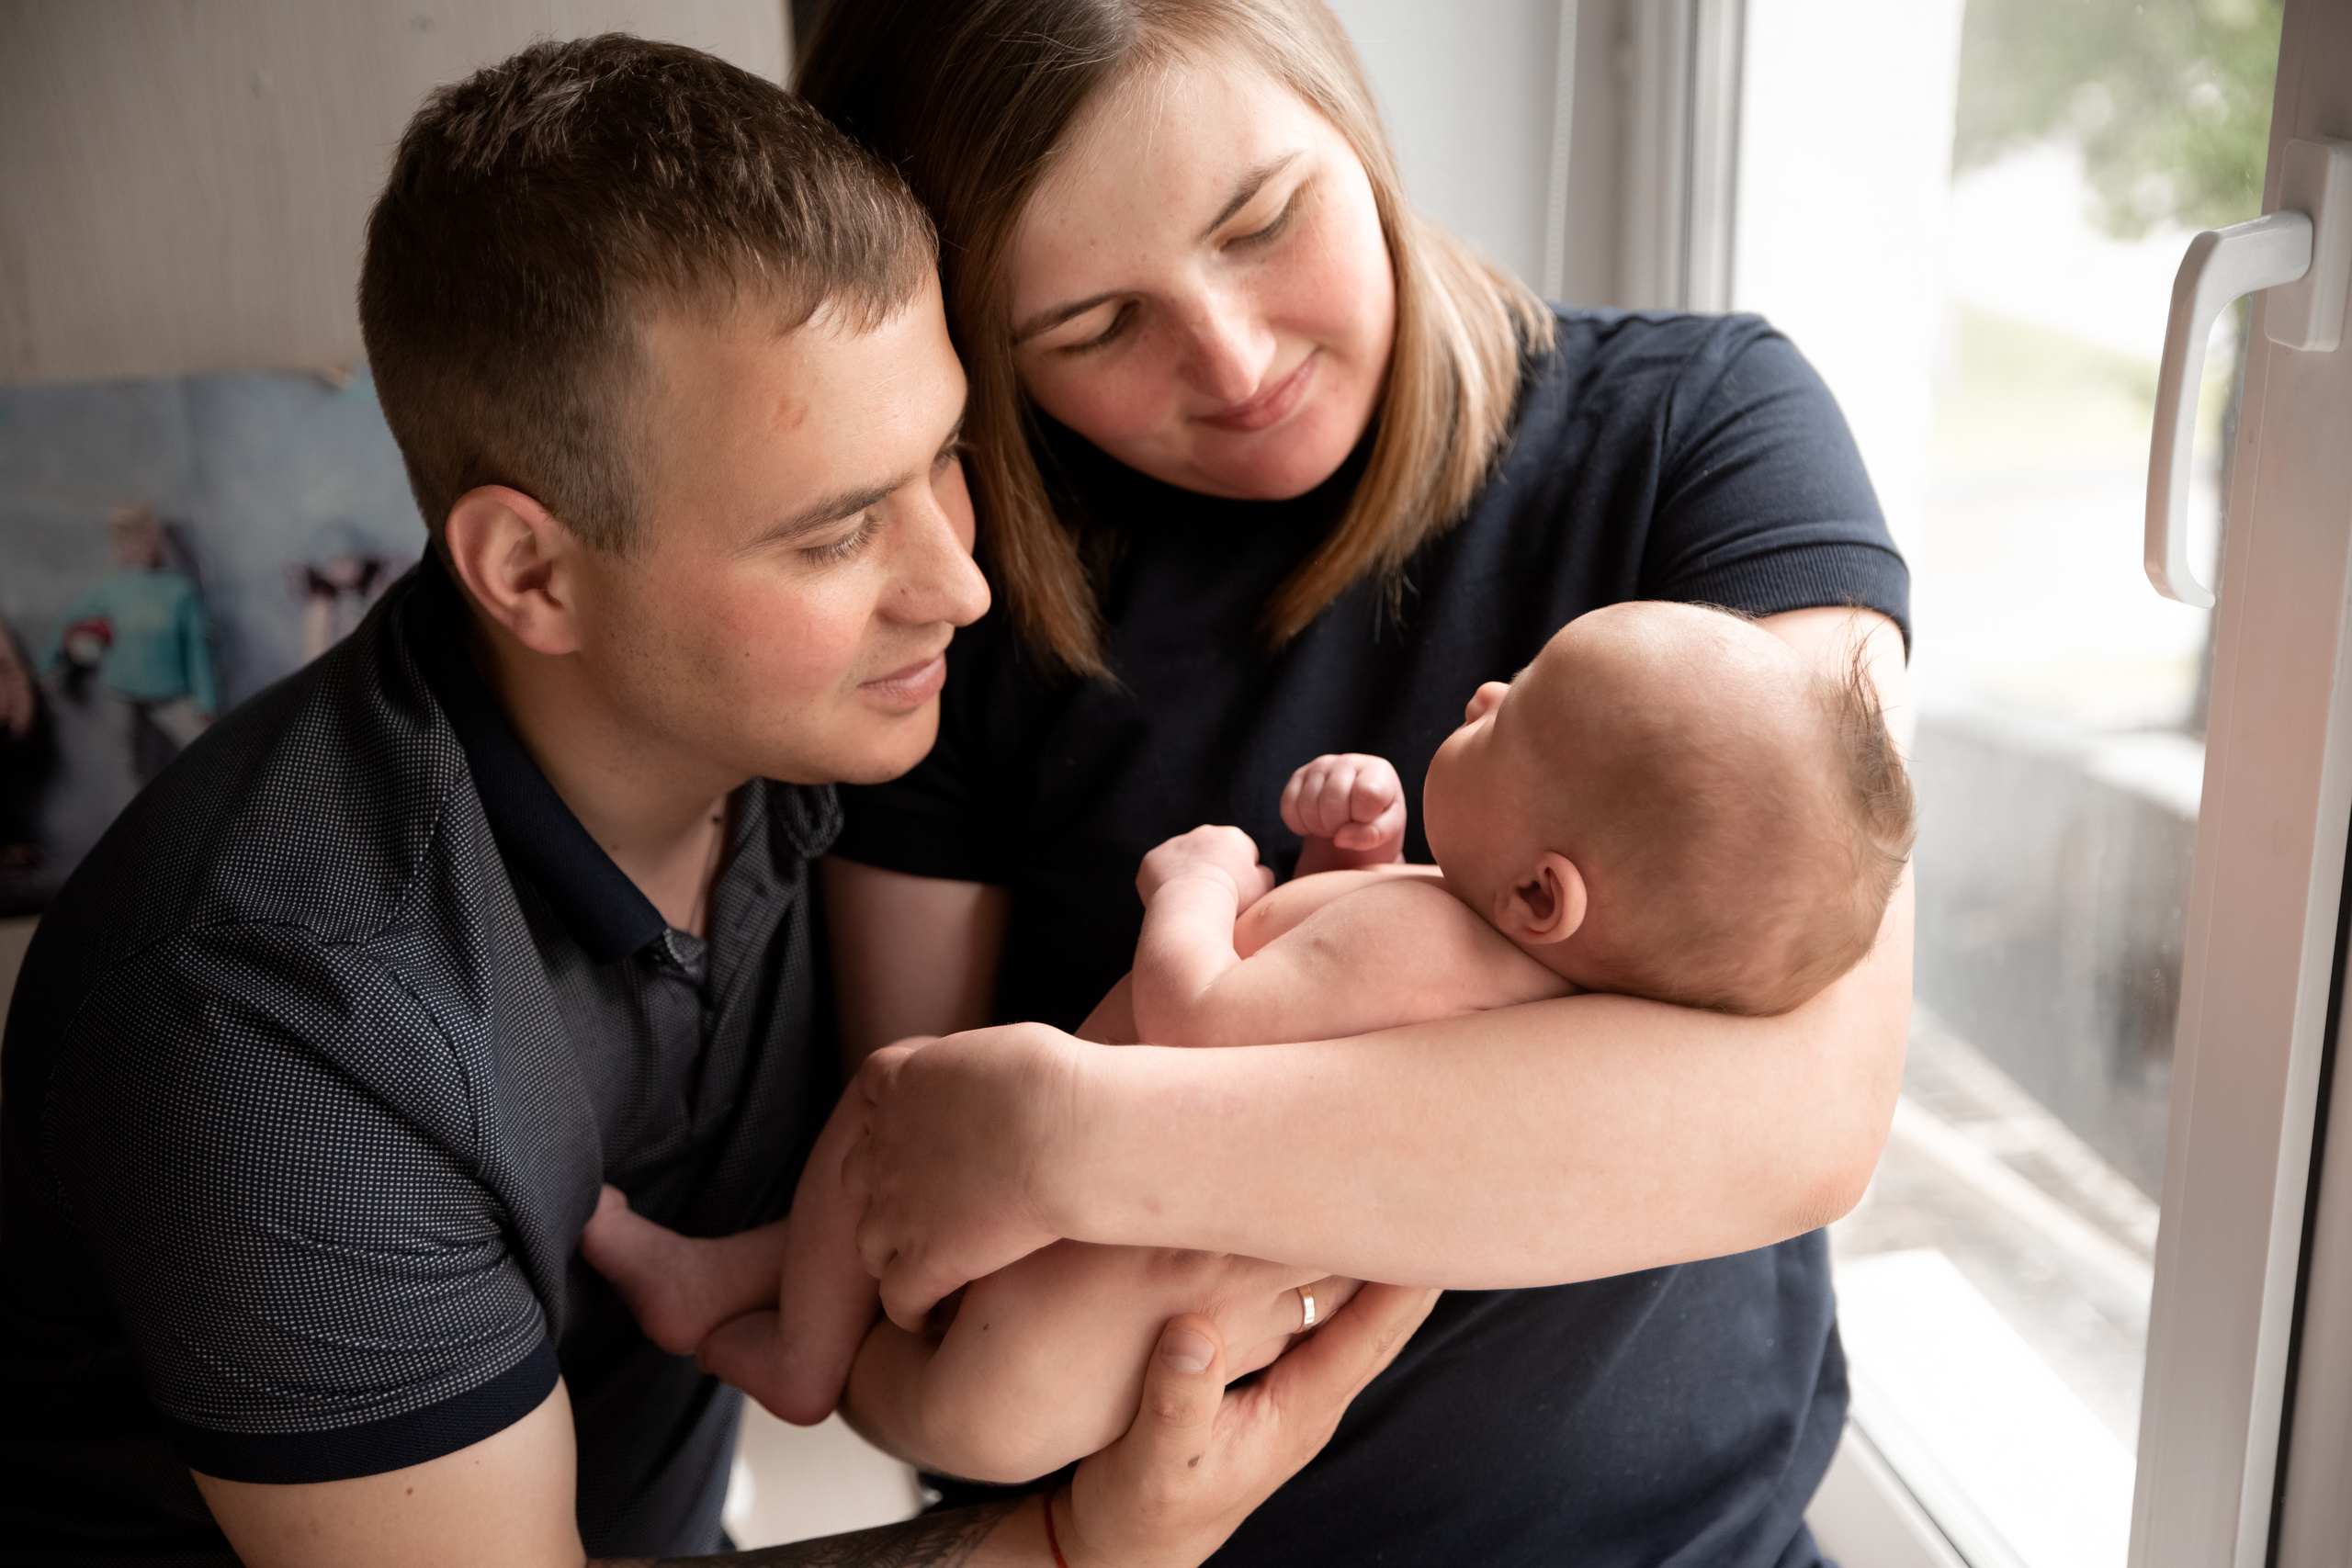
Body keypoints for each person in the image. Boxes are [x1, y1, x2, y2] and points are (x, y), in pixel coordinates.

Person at [0, 37, 1432, 1568]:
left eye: (944, 456)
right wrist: (1085, 1546)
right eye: (833, 535)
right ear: (532, 572)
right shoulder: (272, 1029)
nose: (958, 584)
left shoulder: (808, 738)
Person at [789, 3, 1917, 1563]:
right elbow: (907, 1227)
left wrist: (1075, 1135)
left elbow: (1803, 1114)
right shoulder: (963, 608)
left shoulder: (1701, 430)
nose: (1234, 359)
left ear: (1349, 119)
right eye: (1094, 327)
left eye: (1263, 221)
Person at [582, 599, 1917, 1494]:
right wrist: (1349, 862)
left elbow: (1204, 1020)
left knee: (889, 1107)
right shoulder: (1508, 987)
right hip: (1057, 1371)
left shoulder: (1421, 941)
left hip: (1016, 1336)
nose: (1486, 688)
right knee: (890, 1183)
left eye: (1516, 716)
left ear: (1540, 893)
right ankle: (731, 1282)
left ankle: (793, 1346)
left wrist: (1202, 880)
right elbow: (1321, 1013)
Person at [44, 502, 217, 784]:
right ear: (118, 545)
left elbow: (197, 648)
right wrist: (48, 666)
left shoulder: (179, 590)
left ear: (156, 539)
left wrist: (206, 700)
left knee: (207, 746)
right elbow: (70, 622)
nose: (138, 545)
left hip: (168, 690)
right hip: (120, 689)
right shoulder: (109, 590)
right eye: (128, 538)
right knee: (130, 762)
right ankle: (138, 808)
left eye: (144, 536)